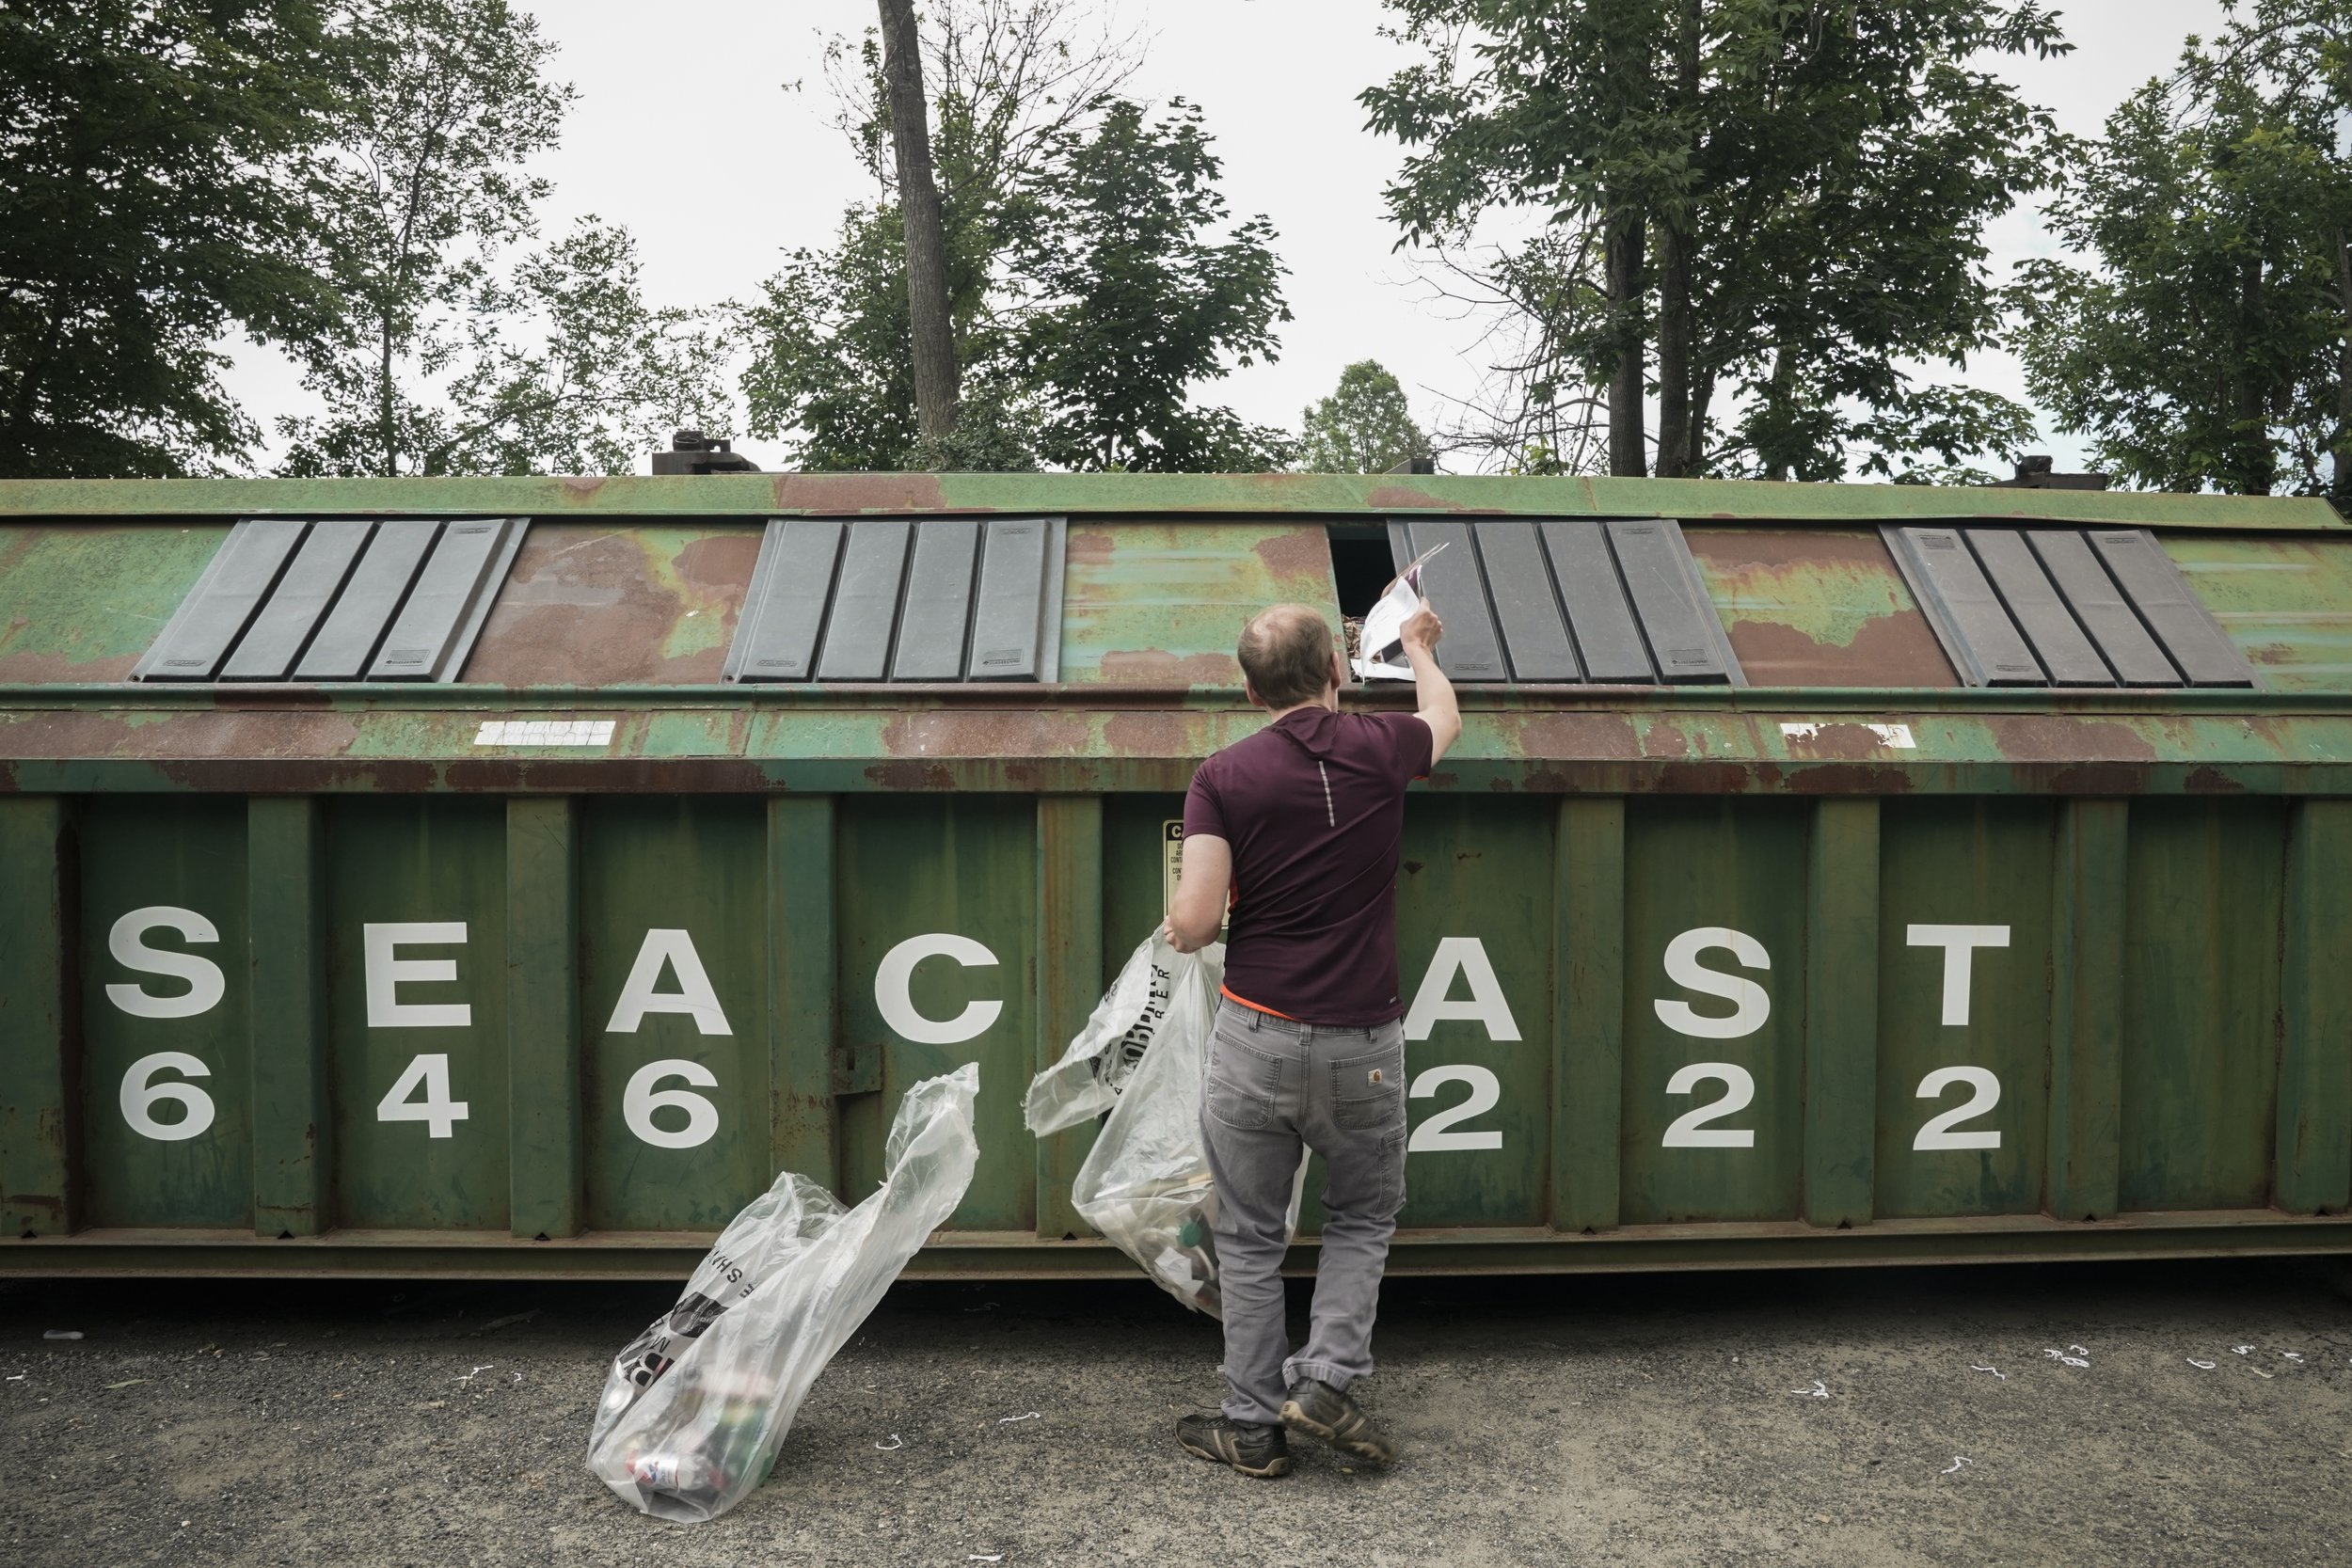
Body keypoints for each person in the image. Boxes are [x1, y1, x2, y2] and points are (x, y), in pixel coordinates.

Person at [1159, 596, 1460, 1479]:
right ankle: (1326, 1379)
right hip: (1363, 1041)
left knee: (1250, 1235)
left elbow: (1196, 919)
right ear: (1336, 669)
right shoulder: (1383, 749)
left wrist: (1183, 928)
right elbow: (1442, 718)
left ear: (1249, 691)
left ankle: (1252, 1427)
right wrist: (1416, 650)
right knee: (1362, 1216)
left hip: (1257, 1035)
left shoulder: (1221, 776)